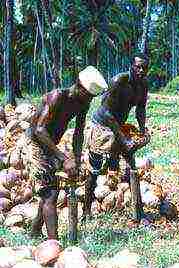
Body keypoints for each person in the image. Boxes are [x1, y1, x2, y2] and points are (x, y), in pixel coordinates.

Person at [26, 66, 108, 239]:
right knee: (50, 194)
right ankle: (53, 244)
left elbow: (78, 132)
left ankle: (34, 232)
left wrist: (77, 159)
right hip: (34, 142)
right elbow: (39, 130)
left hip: (50, 144)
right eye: (89, 96)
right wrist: (63, 159)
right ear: (79, 86)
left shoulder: (82, 103)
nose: (90, 101)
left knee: (50, 189)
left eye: (92, 98)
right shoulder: (57, 96)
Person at [82, 54, 150, 220]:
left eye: (144, 68)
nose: (141, 70)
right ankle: (86, 211)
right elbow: (106, 112)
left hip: (118, 126)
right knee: (94, 170)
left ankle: (137, 211)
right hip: (102, 127)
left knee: (132, 165)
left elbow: (140, 109)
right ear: (131, 66)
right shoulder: (119, 81)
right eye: (138, 67)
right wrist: (122, 138)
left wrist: (142, 130)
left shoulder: (143, 85)